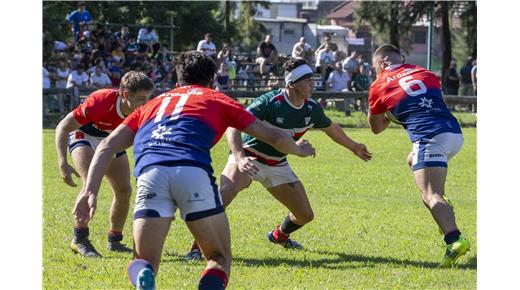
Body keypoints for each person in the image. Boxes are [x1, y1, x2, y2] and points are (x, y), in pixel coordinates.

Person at [72, 51, 316, 289]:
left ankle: (145, 275)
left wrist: (89, 190)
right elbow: (272, 135)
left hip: (151, 174)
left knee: (143, 261)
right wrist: (298, 149)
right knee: (218, 258)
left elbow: (106, 145)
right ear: (212, 81)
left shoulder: (151, 104)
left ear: (178, 81)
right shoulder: (217, 98)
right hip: (192, 171)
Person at [185, 58, 371, 262]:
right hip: (249, 156)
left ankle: (279, 236)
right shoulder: (270, 102)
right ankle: (196, 248)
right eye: (307, 80)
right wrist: (239, 157)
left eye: (313, 79)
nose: (313, 84)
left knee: (305, 215)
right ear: (291, 83)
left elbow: (331, 128)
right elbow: (233, 125)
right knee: (225, 193)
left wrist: (354, 146)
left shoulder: (312, 109)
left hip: (277, 164)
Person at [367, 44, 471, 268]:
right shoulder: (425, 72)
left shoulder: (378, 85)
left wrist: (388, 113)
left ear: (382, 62)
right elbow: (436, 101)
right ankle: (442, 205)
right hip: (454, 133)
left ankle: (454, 240)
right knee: (412, 159)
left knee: (430, 194)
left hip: (429, 138)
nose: (375, 71)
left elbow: (376, 128)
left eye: (375, 66)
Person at [55, 71, 155, 257]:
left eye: (148, 98)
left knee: (124, 190)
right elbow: (63, 126)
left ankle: (115, 239)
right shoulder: (100, 101)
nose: (145, 103)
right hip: (84, 135)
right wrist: (63, 162)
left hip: (111, 140)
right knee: (90, 184)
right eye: (141, 98)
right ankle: (80, 238)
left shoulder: (143, 111)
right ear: (125, 95)